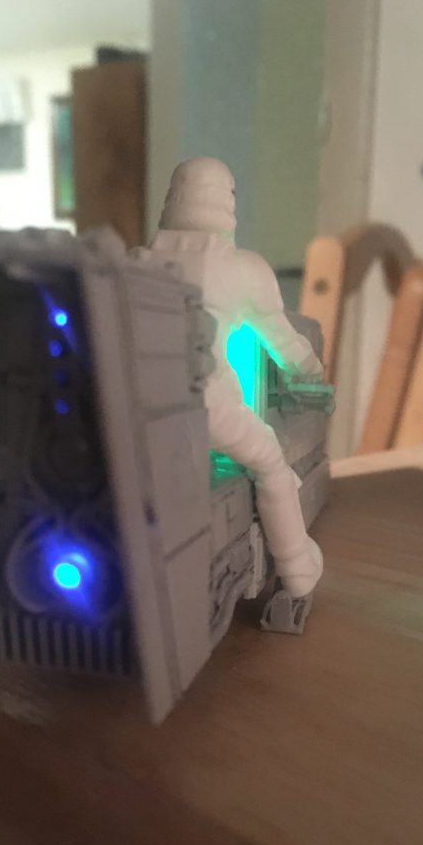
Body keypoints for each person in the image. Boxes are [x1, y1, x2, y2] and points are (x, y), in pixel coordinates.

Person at [139, 157, 324, 599]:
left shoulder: (136, 262)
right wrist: (311, 371)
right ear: (226, 201)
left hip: (144, 410)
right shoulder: (243, 268)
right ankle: (297, 568)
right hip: (211, 409)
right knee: (270, 463)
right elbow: (283, 343)